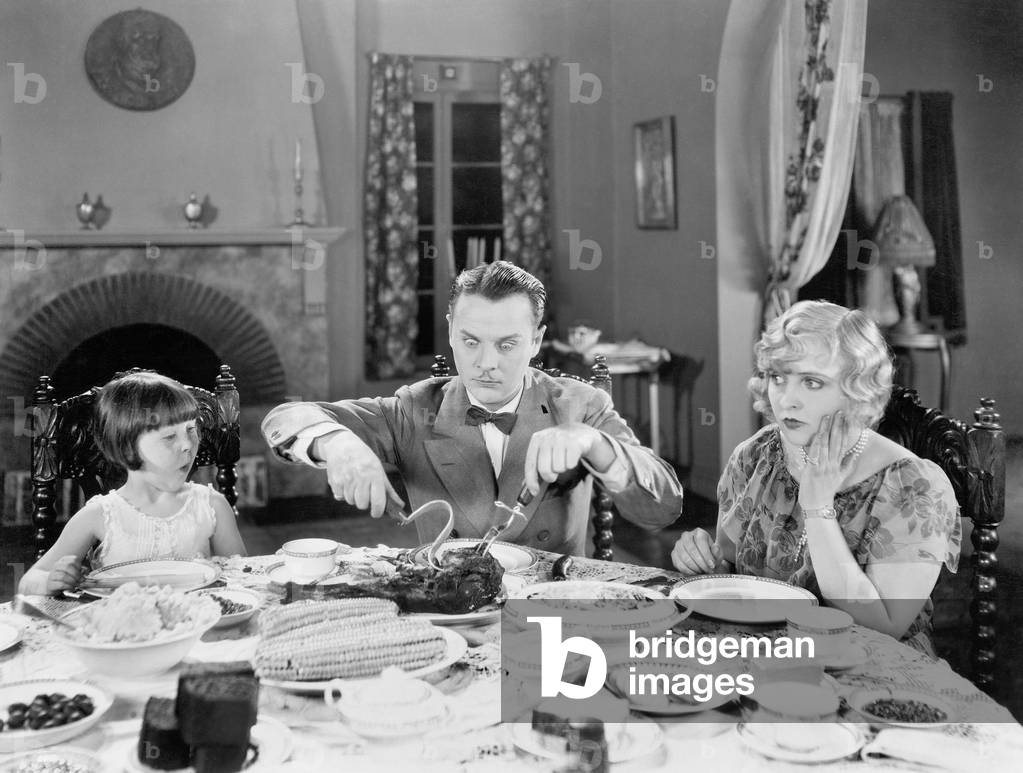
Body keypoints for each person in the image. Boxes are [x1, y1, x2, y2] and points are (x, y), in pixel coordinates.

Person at [262, 261, 683, 556]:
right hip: (450, 616)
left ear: (536, 341)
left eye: (507, 344)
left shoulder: (580, 404)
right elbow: (284, 418)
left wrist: (594, 443)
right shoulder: (413, 410)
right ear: (449, 330)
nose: (486, 363)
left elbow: (663, 507)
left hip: (554, 615)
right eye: (470, 341)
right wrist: (338, 444)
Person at [670, 301, 960, 652]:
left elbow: (883, 630)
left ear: (857, 389)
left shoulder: (915, 485)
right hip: (765, 653)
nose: (787, 399)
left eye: (812, 382)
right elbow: (729, 566)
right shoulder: (756, 454)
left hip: (872, 668)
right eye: (778, 378)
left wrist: (818, 506)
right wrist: (705, 561)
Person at [19, 372, 247, 596]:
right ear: (128, 447)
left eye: (191, 429)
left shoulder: (211, 505)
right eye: (169, 437)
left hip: (196, 625)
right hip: (125, 628)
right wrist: (50, 581)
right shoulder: (100, 514)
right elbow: (29, 582)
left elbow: (245, 577)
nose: (188, 444)